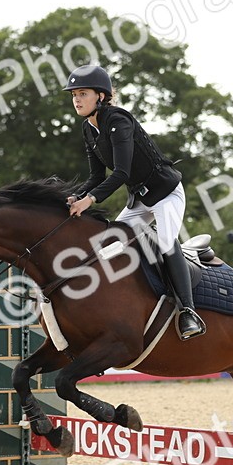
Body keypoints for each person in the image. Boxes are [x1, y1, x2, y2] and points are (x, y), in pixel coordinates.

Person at [63, 64, 205, 340]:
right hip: (139, 198)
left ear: (101, 96)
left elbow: (122, 173)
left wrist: (89, 200)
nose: (77, 99)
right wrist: (76, 196)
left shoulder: (119, 121)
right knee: (108, 245)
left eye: (83, 93)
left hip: (166, 193)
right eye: (74, 95)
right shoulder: (88, 129)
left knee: (165, 242)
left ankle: (188, 311)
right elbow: (96, 175)